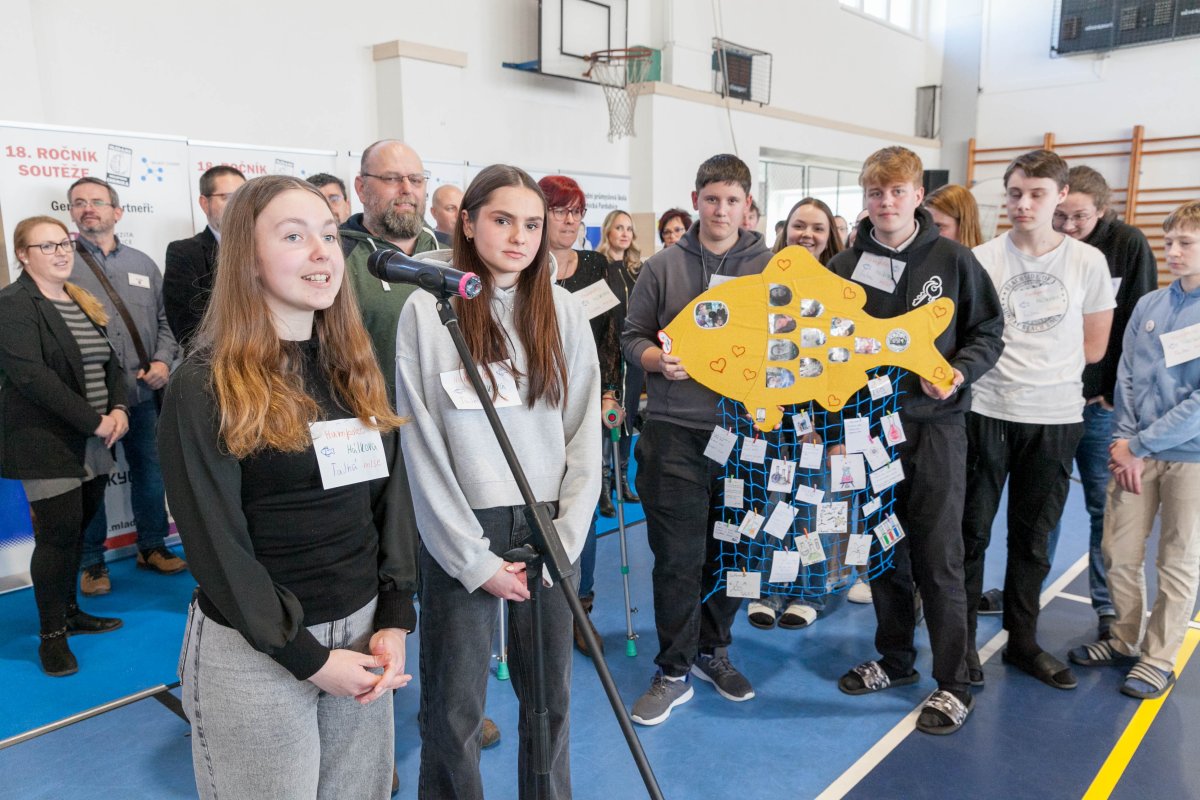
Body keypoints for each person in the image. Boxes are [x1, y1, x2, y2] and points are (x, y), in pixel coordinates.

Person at [158, 175, 416, 799]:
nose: (323, 251)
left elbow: (388, 500)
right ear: (247, 258)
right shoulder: (204, 385)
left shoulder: (353, 367)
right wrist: (309, 659)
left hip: (362, 633)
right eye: (294, 236)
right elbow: (218, 547)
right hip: (258, 652)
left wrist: (395, 614)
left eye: (328, 234)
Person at [395, 164, 600, 799]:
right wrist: (470, 559)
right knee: (453, 710)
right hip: (465, 523)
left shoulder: (563, 311)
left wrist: (566, 538)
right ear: (467, 223)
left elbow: (582, 435)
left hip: (548, 522)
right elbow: (423, 445)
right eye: (502, 220)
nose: (519, 237)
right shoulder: (427, 310)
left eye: (532, 224)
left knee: (550, 703)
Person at [829, 146, 1004, 735]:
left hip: (935, 429)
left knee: (938, 556)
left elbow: (988, 331)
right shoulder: (844, 266)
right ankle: (896, 660)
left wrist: (958, 372)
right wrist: (833, 428)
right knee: (884, 553)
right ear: (865, 198)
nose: (885, 203)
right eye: (875, 193)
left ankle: (954, 682)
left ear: (917, 196)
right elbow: (825, 349)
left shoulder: (953, 259)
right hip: (869, 430)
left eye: (897, 191)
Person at [623, 154, 771, 726]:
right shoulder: (662, 266)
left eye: (732, 200)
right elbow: (632, 337)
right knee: (678, 559)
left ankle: (714, 651)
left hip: (745, 436)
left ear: (747, 205)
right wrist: (656, 361)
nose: (721, 210)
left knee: (734, 551)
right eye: (712, 199)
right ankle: (674, 669)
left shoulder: (771, 268)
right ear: (695, 201)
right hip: (675, 435)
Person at [978, 166, 1157, 637]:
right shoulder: (999, 254)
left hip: (1089, 405)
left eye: (1080, 217)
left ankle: (1104, 607)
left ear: (1100, 211)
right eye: (1064, 217)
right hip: (1017, 406)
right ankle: (1015, 604)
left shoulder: (1113, 251)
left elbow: (1124, 331)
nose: (1069, 224)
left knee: (1095, 509)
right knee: (1029, 518)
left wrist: (1112, 394)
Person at [964, 149, 1115, 692]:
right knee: (971, 533)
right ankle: (961, 646)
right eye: (1014, 193)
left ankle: (1023, 642)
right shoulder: (981, 259)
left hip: (1054, 417)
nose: (1023, 204)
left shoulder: (1087, 262)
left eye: (1036, 194)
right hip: (986, 411)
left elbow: (1094, 348)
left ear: (1060, 196)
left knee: (1032, 538)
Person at [1068, 200, 1200, 700]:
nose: (1173, 251)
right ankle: (1123, 639)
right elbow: (1126, 374)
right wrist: (1124, 440)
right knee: (1118, 551)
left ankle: (1158, 658)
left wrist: (1140, 444)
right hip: (1134, 450)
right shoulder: (1149, 306)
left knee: (1177, 561)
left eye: (1186, 242)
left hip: (1190, 458)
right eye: (1169, 242)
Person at [0, 216, 127, 676]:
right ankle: (51, 636)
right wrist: (96, 421)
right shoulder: (13, 304)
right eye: (47, 246)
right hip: (46, 440)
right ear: (22, 254)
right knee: (57, 537)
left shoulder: (79, 298)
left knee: (78, 529)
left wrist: (119, 408)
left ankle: (71, 612)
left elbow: (113, 362)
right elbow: (33, 378)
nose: (60, 253)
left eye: (64, 244)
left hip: (95, 437)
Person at [68, 177, 184, 597]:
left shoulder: (143, 263)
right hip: (91, 397)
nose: (88, 208)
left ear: (117, 212)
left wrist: (163, 361)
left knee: (151, 473)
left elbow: (168, 321)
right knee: (92, 479)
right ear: (71, 213)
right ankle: (91, 562)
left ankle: (151, 546)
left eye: (97, 201)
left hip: (143, 393)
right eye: (79, 203)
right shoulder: (63, 264)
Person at [749, 196, 850, 629]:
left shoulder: (840, 289)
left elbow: (844, 367)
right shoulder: (764, 283)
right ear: (785, 230)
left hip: (820, 428)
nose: (806, 234)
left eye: (817, 228)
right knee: (772, 510)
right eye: (799, 226)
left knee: (811, 513)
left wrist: (834, 433)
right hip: (771, 422)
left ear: (830, 237)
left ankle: (809, 593)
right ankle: (770, 591)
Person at [539, 175, 623, 655]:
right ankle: (540, 601)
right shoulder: (526, 267)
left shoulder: (594, 265)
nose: (569, 221)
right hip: (536, 405)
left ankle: (580, 607)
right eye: (559, 211)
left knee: (583, 503)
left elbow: (611, 335)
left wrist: (611, 393)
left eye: (576, 212)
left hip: (587, 402)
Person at [342, 140, 441, 401]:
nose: (407, 189)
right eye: (392, 179)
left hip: (446, 416)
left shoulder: (452, 252)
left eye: (416, 180)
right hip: (370, 415)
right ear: (361, 188)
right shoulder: (335, 256)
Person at [165, 165, 246, 349]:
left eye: (242, 198)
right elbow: (188, 329)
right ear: (204, 203)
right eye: (227, 197)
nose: (236, 206)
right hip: (217, 359)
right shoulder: (184, 253)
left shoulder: (264, 248)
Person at [595, 209, 645, 502]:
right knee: (607, 418)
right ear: (608, 232)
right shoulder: (597, 268)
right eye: (619, 227)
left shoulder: (638, 270)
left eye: (628, 228)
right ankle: (602, 484)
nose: (625, 233)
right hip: (606, 356)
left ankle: (621, 479)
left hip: (633, 355)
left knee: (629, 414)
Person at [925, 184, 984, 249]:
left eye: (938, 226)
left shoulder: (982, 254)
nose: (928, 234)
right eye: (926, 226)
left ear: (962, 226)